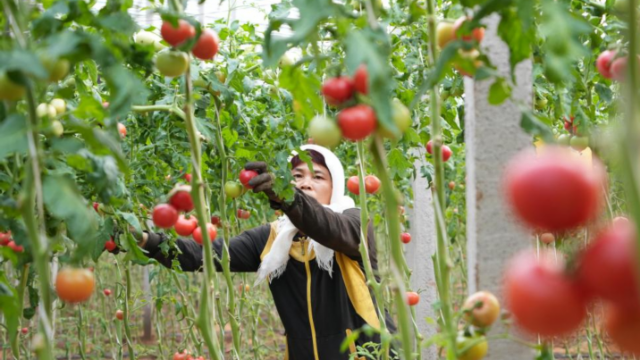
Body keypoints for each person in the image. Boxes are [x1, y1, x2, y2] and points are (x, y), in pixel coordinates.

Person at [136, 144, 395, 360]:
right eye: (296, 177)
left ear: (335, 185)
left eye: (318, 177)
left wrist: (286, 195)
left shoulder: (354, 223)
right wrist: (143, 239)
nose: (305, 184)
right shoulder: (272, 237)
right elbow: (200, 254)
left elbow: (327, 227)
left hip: (366, 353)